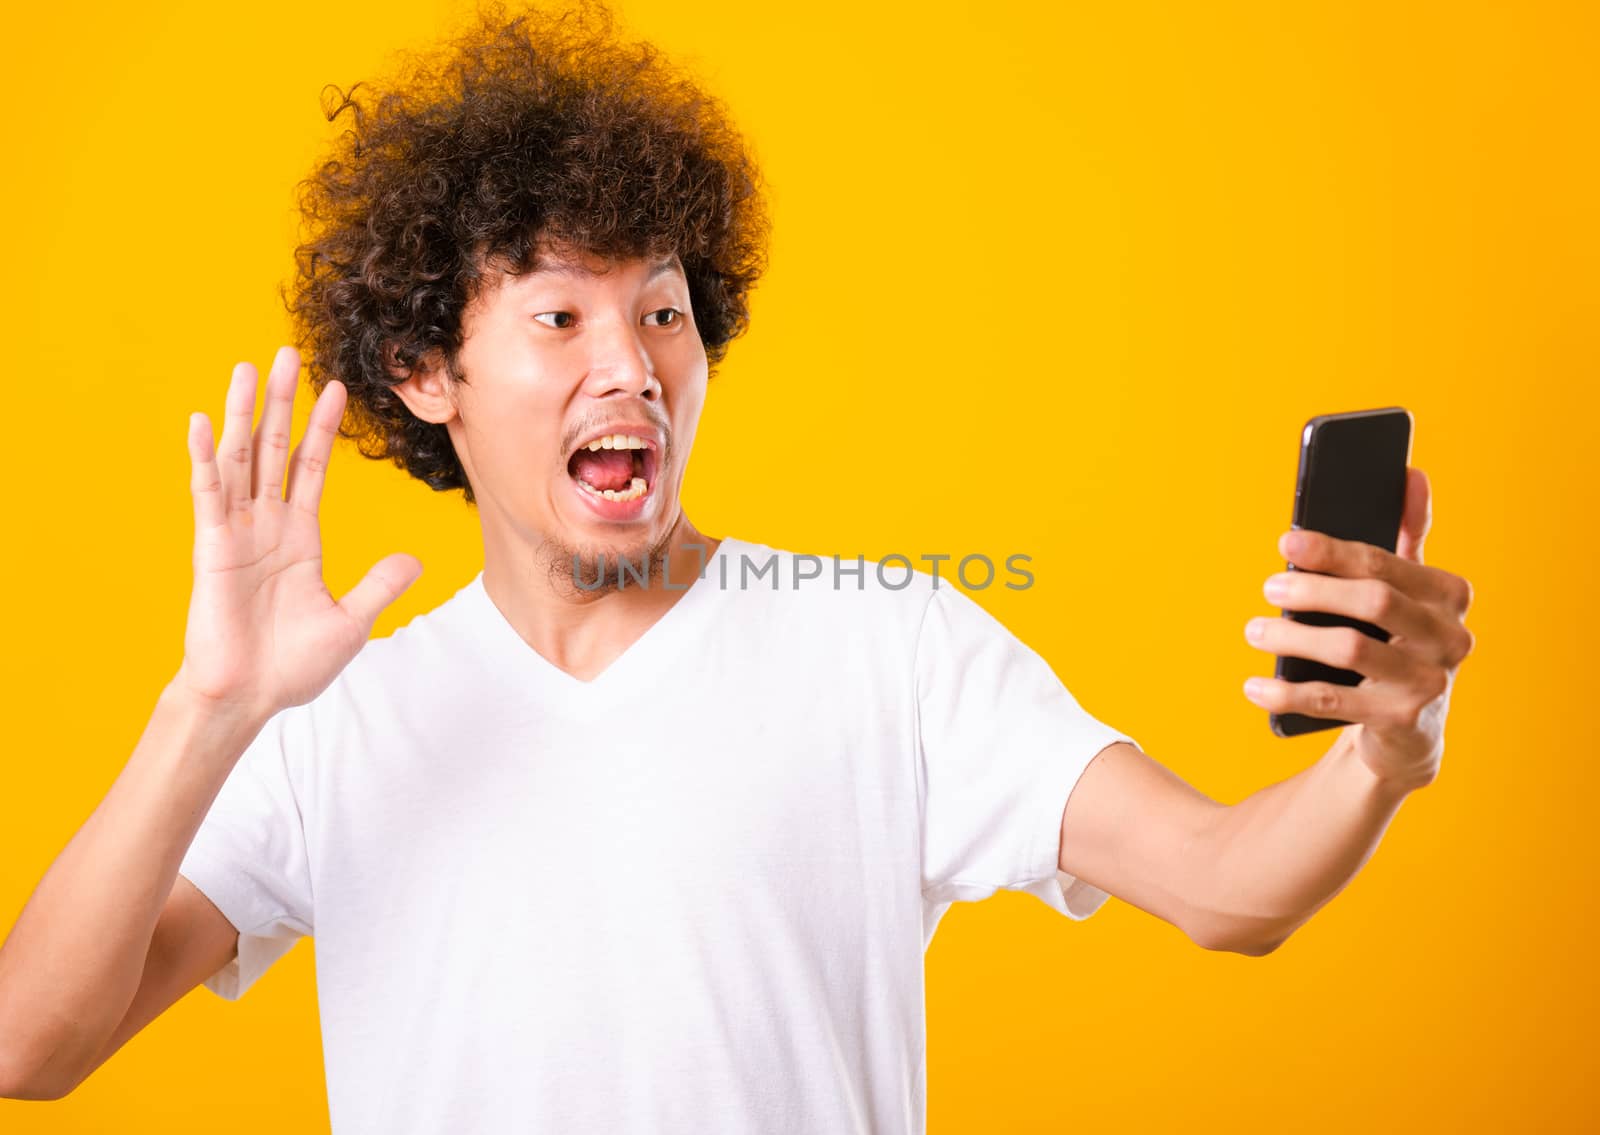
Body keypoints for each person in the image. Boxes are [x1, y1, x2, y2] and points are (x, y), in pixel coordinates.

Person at [0, 0, 1476, 1129]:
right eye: (560, 319)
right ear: (423, 373)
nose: (632, 366)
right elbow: (32, 1048)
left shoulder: (889, 653)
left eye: (661, 312)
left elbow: (1230, 890)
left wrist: (1383, 753)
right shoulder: (329, 725)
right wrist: (210, 709)